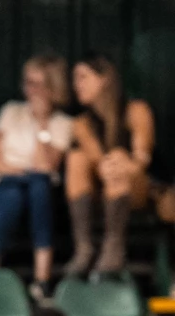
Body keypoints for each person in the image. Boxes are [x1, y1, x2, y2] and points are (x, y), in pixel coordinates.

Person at [0, 56, 74, 299]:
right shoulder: (11, 111)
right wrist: (21, 172)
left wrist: (42, 124)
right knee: (12, 197)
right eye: (28, 83)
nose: (31, 90)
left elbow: (46, 165)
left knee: (39, 188)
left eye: (38, 84)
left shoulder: (63, 123)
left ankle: (42, 281)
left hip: (39, 188)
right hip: (4, 183)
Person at [65, 54, 156, 276]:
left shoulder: (136, 110)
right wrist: (111, 165)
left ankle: (114, 246)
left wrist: (121, 163)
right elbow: (97, 160)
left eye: (83, 77)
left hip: (136, 189)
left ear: (104, 79)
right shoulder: (81, 123)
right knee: (76, 159)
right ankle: (84, 247)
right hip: (99, 190)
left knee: (118, 156)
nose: (77, 85)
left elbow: (141, 159)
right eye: (75, 79)